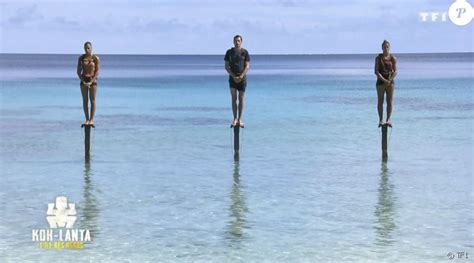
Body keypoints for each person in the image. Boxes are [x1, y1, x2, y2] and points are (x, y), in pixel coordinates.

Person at [225, 35, 250, 127]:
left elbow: (247, 66)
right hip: (232, 79)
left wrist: (241, 76)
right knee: (234, 98)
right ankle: (235, 119)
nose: (237, 42)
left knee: (241, 99)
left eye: (239, 41)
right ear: (233, 42)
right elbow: (226, 66)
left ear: (241, 42)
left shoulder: (245, 52)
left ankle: (240, 119)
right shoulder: (229, 52)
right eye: (235, 41)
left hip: (242, 79)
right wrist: (234, 76)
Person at [374, 40, 397, 127]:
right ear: (382, 48)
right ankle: (381, 120)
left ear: (389, 47)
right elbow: (376, 71)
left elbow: (396, 71)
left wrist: (390, 79)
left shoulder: (393, 58)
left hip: (390, 83)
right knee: (380, 101)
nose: (386, 48)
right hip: (380, 82)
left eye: (387, 47)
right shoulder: (378, 58)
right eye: (384, 47)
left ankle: (388, 119)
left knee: (389, 101)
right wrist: (384, 80)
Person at [77, 41, 100, 125]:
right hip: (84, 81)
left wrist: (91, 82)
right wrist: (83, 81)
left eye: (88, 48)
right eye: (85, 48)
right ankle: (87, 119)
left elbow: (97, 72)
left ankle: (91, 119)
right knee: (85, 100)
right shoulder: (81, 58)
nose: (87, 49)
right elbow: (78, 72)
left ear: (91, 48)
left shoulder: (95, 58)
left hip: (93, 81)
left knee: (92, 100)